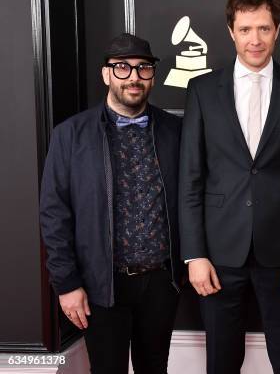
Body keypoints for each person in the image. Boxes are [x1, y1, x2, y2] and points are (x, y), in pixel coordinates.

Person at [179, 0, 280, 374]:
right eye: (246, 30)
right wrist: (194, 255)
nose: (255, 39)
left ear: (277, 30)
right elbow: (190, 179)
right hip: (218, 253)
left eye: (263, 28)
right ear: (232, 32)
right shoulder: (202, 90)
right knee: (221, 362)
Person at [40, 33, 183, 373]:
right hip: (100, 283)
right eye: (122, 67)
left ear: (152, 75)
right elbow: (53, 214)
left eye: (143, 68)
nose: (133, 77)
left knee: (155, 367)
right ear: (106, 75)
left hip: (161, 281)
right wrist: (67, 284)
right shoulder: (70, 135)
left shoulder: (176, 130)